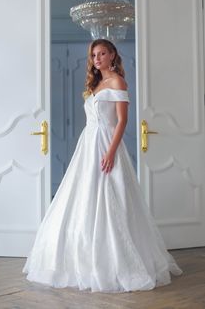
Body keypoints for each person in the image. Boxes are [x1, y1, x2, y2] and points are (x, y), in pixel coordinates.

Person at [23, 39, 182, 293]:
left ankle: (120, 262)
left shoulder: (118, 81)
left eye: (102, 53)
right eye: (94, 54)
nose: (97, 58)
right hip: (88, 145)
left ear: (112, 55)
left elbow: (121, 121)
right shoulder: (95, 84)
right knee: (82, 196)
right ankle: (82, 261)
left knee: (112, 195)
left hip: (107, 144)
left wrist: (110, 152)